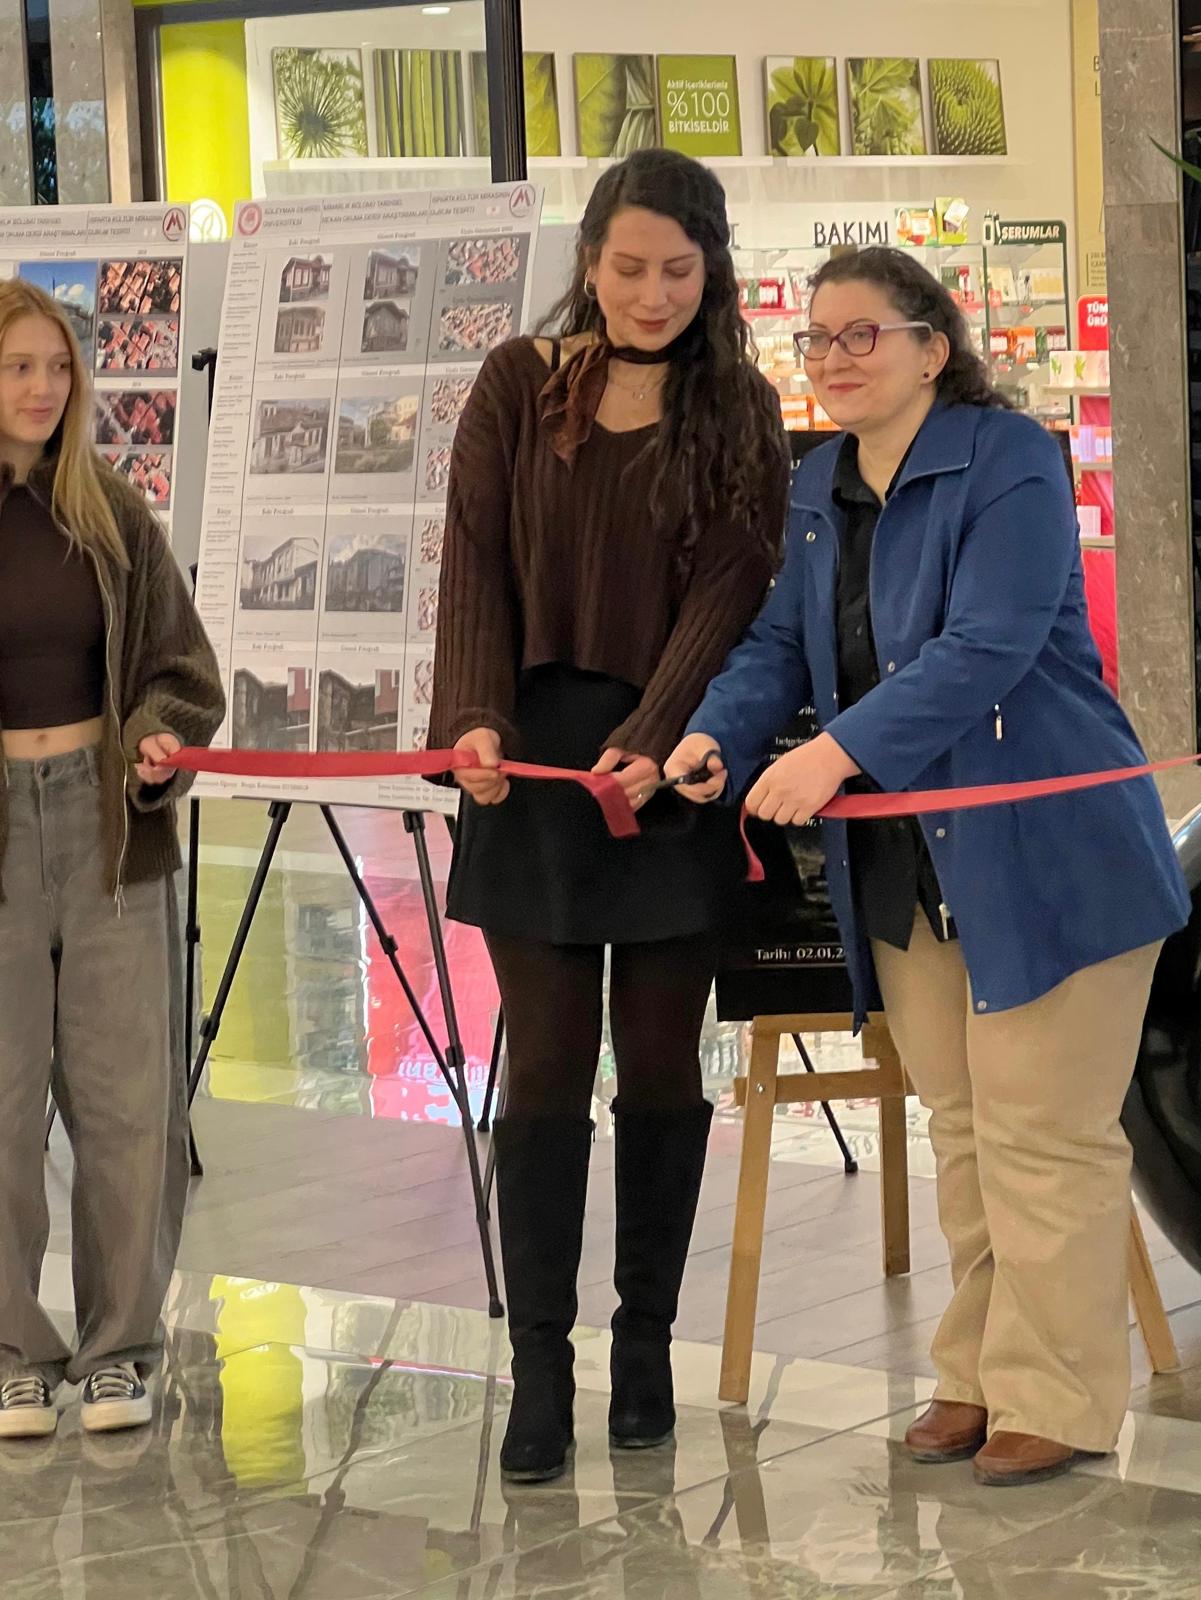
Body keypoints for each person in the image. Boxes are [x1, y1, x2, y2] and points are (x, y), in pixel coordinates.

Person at [667, 246, 1190, 1487]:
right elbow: (779, 643)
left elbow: (986, 645)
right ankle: (981, 1371)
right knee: (962, 1131)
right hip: (906, 867)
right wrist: (715, 734)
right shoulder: (818, 484)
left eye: (862, 335)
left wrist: (833, 755)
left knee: (1041, 1137)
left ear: (930, 348)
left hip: (1048, 857)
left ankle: (1056, 1393)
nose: (834, 358)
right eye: (818, 339)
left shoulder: (1008, 459)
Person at [428, 149, 789, 1483]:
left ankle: (645, 1348)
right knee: (540, 1071)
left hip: (667, 772)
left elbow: (733, 590)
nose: (650, 294)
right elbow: (473, 560)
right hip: (531, 770)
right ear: (588, 261)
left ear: (711, 273)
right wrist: (475, 718)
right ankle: (539, 1366)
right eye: (627, 267)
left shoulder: (740, 407)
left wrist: (651, 738)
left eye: (676, 271)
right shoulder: (516, 385)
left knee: (659, 1068)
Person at [0, 279, 224, 1441]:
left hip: (107, 829)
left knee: (128, 1102)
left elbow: (185, 671)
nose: (42, 387)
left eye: (57, 367)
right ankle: (12, 1354)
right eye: (17, 366)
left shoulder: (114, 516)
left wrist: (153, 740)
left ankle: (120, 1350)